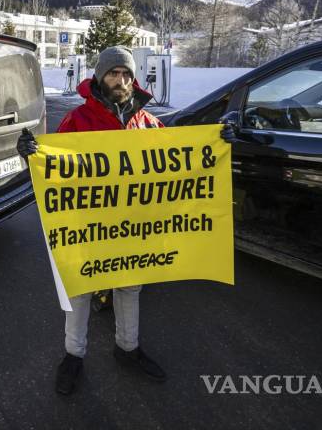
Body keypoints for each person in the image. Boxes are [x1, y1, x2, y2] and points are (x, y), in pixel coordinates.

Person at [16, 45, 236, 395]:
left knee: (130, 286)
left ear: (133, 79)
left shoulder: (148, 123)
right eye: (113, 73)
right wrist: (33, 155)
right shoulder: (78, 121)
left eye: (126, 74)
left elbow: (179, 161)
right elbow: (55, 172)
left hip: (134, 225)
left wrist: (218, 143)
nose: (120, 80)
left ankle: (128, 349)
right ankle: (73, 355)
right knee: (82, 289)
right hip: (88, 226)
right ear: (100, 77)